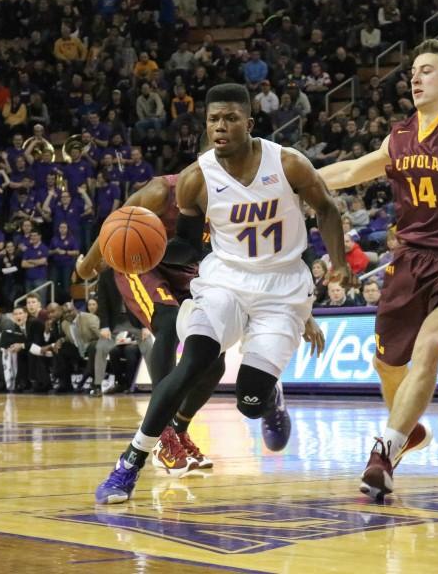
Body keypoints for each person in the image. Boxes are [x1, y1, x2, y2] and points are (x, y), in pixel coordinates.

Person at [95, 83, 347, 504]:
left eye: (231, 118)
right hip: (225, 279)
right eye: (214, 119)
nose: (221, 126)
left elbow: (326, 208)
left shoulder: (288, 164)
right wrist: (148, 250)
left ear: (249, 123)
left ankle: (268, 394)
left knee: (249, 402)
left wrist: (338, 264)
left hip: (282, 287)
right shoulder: (197, 178)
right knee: (193, 360)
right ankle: (129, 463)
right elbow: (191, 245)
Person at [318, 0, 438, 500]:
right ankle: (408, 428)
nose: (416, 79)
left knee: (431, 343)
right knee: (386, 363)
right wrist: (290, 178)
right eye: (414, 72)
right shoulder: (398, 135)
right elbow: (354, 169)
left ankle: (385, 452)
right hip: (410, 262)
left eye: (427, 71)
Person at [78, 174, 227, 467]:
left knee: (214, 357)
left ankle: (180, 428)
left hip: (186, 269)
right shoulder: (162, 191)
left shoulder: (234, 196)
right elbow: (116, 223)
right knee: (169, 323)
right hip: (139, 263)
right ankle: (163, 434)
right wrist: (86, 267)